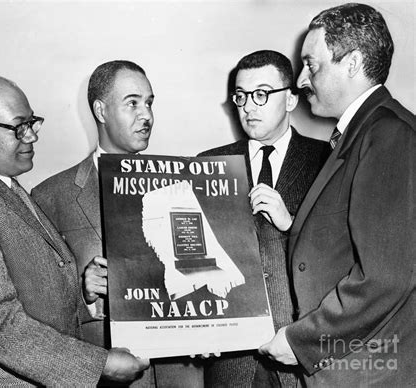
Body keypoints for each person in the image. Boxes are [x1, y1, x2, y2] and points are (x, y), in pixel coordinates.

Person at [0, 73, 150, 386]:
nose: (32, 136)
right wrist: (101, 364)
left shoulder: (7, 188)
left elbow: (37, 297)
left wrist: (85, 293)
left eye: (32, 123)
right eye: (18, 127)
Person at [258, 4, 415, 387]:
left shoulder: (390, 135)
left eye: (311, 65)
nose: (299, 80)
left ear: (353, 63)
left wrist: (301, 341)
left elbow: (386, 276)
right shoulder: (365, 132)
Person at [32, 60, 204, 388]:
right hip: (108, 375)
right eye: (133, 103)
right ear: (100, 110)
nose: (147, 115)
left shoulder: (183, 185)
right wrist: (83, 291)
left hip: (181, 374)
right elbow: (39, 311)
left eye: (150, 102)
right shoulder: (50, 197)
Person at [198, 50, 330, 387]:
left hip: (299, 352)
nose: (248, 107)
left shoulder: (328, 159)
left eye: (261, 94)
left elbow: (343, 251)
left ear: (289, 100)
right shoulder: (208, 163)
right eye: (241, 96)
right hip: (230, 358)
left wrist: (291, 222)